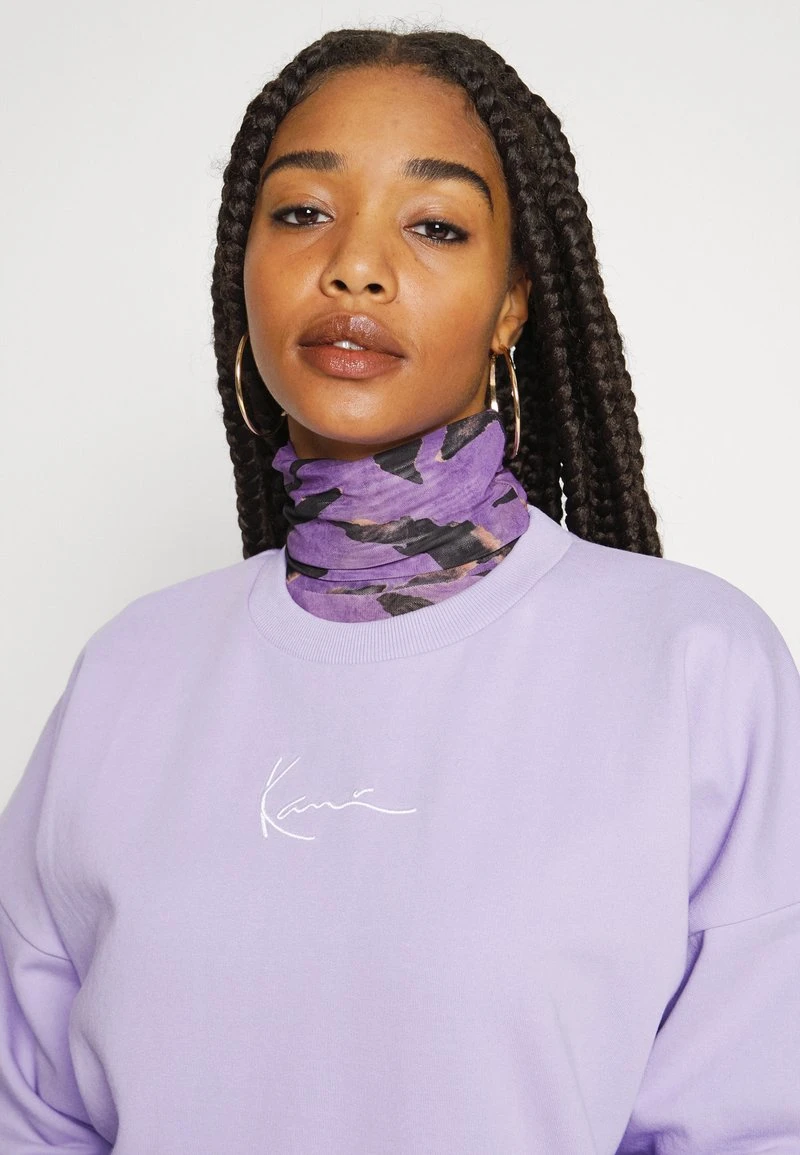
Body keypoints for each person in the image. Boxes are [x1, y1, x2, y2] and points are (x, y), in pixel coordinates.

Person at [2, 25, 799, 1154]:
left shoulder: (693, 666)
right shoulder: (128, 674)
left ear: (512, 303)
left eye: (433, 226)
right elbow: (29, 1115)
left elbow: (750, 1122)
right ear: (242, 269)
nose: (355, 266)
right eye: (301, 213)